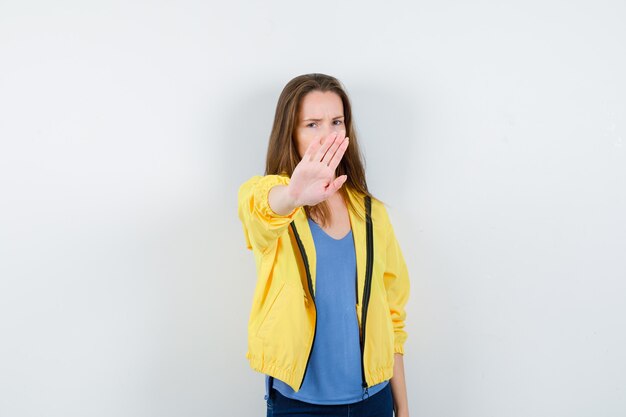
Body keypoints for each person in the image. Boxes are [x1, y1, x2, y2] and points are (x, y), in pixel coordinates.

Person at [237, 73, 411, 417]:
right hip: (298, 405)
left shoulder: (371, 213)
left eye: (337, 122)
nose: (328, 135)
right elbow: (259, 210)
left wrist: (402, 408)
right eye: (312, 124)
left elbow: (393, 318)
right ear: (291, 133)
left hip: (373, 401)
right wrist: (292, 195)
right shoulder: (274, 201)